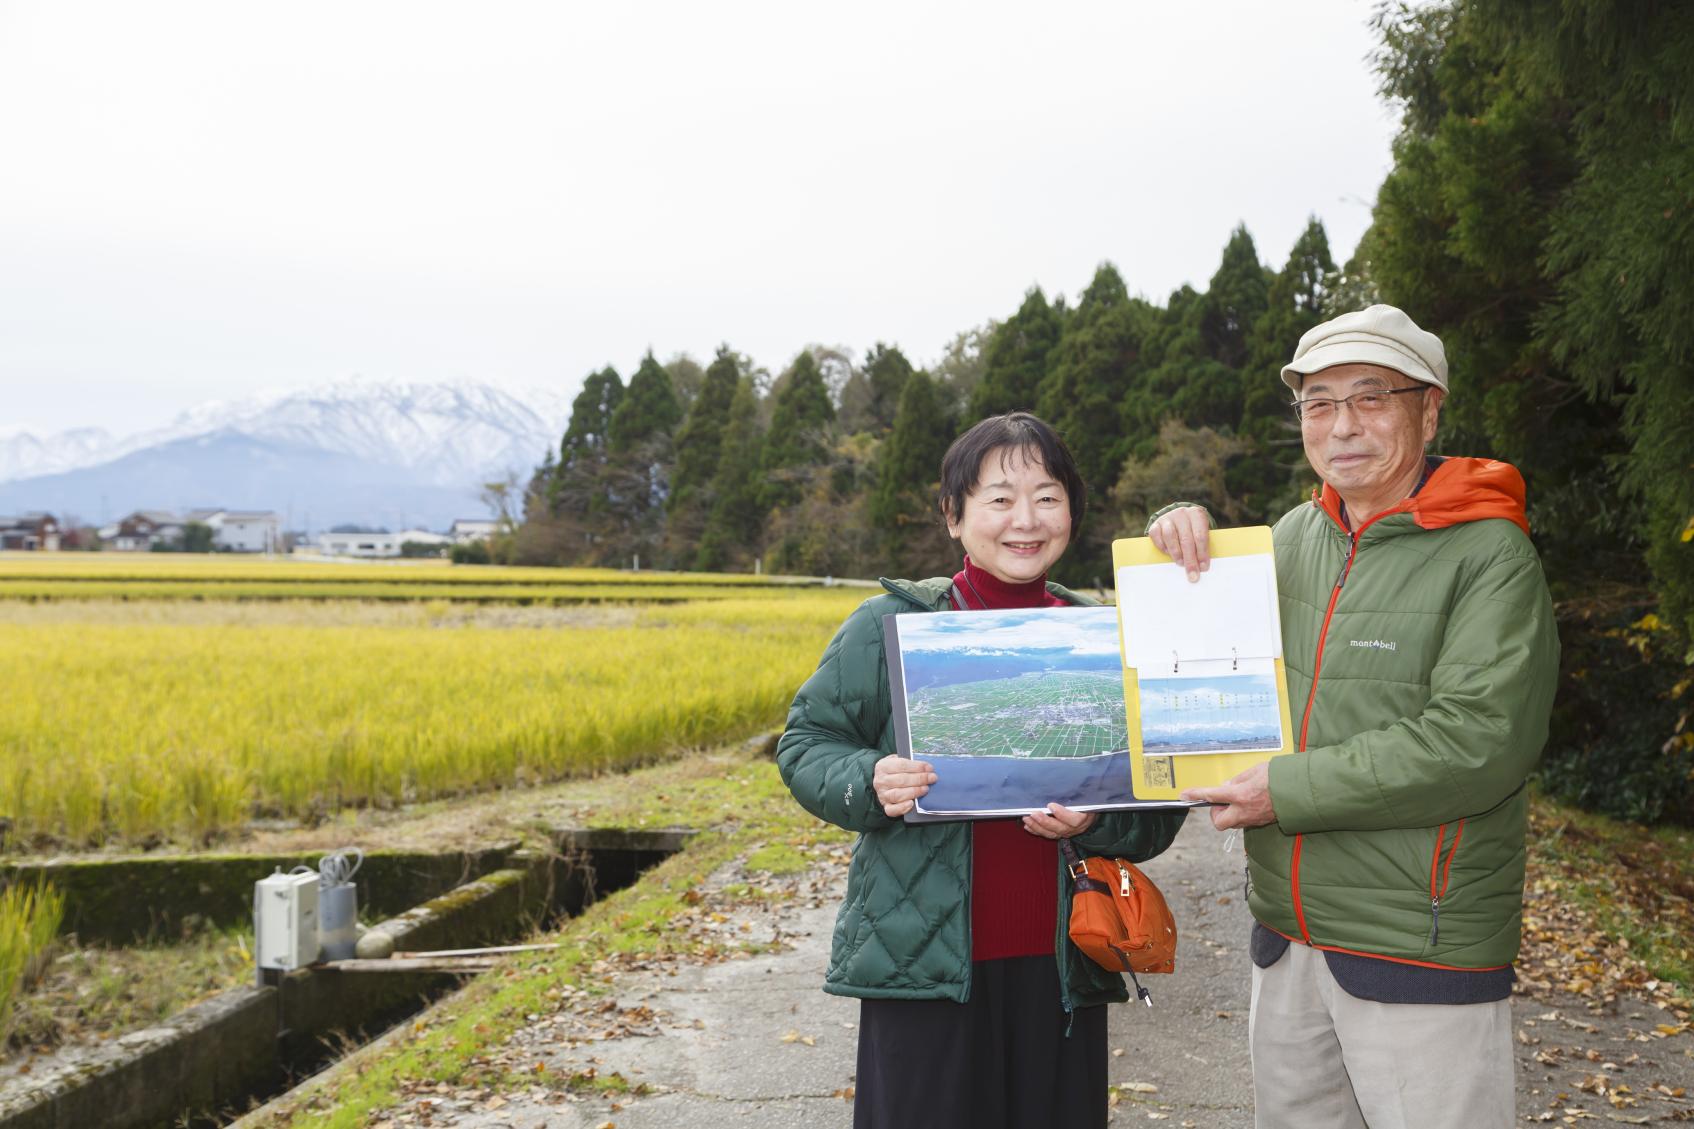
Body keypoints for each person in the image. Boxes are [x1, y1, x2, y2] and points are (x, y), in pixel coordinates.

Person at [1148, 304, 1559, 1129]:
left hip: (1419, 950)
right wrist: (1178, 540)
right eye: (1319, 402)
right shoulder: (1297, 535)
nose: (1343, 425)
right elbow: (1191, 655)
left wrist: (1283, 790)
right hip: (1289, 941)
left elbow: (1479, 744)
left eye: (1372, 398)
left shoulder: (1489, 552)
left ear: (1429, 406)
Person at [776, 411, 1185, 1129]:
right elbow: (807, 742)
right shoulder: (888, 625)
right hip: (923, 972)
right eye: (999, 498)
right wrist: (869, 777)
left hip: (1062, 973)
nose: (1025, 518)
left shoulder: (1105, 636)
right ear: (954, 517)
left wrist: (1100, 818)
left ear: (1072, 513)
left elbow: (1162, 800)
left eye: (1047, 496)